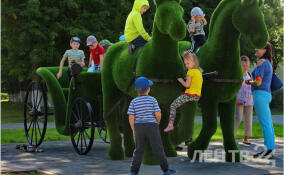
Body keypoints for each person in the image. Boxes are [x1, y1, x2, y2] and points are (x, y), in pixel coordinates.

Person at [128, 77, 176, 175]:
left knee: (138, 150)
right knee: (158, 148)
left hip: (139, 127)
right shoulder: (153, 100)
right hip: (152, 126)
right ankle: (166, 170)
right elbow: (158, 114)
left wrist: (133, 129)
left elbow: (131, 117)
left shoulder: (133, 102)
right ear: (148, 89)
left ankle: (134, 171)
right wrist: (156, 123)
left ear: (137, 90)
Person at [246, 42, 274, 159]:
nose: (256, 49)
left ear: (265, 50)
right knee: (268, 123)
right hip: (266, 94)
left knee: (265, 123)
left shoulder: (261, 62)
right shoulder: (268, 63)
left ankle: (268, 150)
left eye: (259, 47)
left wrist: (249, 82)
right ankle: (270, 149)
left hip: (260, 95)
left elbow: (258, 82)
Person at [164, 51, 203, 132]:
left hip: (190, 95)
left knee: (173, 105)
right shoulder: (199, 71)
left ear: (194, 62)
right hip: (197, 96)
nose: (186, 66)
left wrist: (180, 80)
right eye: (185, 64)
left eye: (188, 63)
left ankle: (170, 124)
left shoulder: (190, 72)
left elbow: (186, 85)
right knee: (179, 102)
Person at [235, 56, 254, 145]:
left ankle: (245, 139)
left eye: (246, 65)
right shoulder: (237, 75)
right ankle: (230, 138)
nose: (245, 67)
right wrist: (235, 101)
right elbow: (234, 89)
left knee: (248, 120)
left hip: (249, 101)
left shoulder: (249, 75)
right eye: (243, 65)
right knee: (238, 119)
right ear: (239, 65)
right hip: (239, 101)